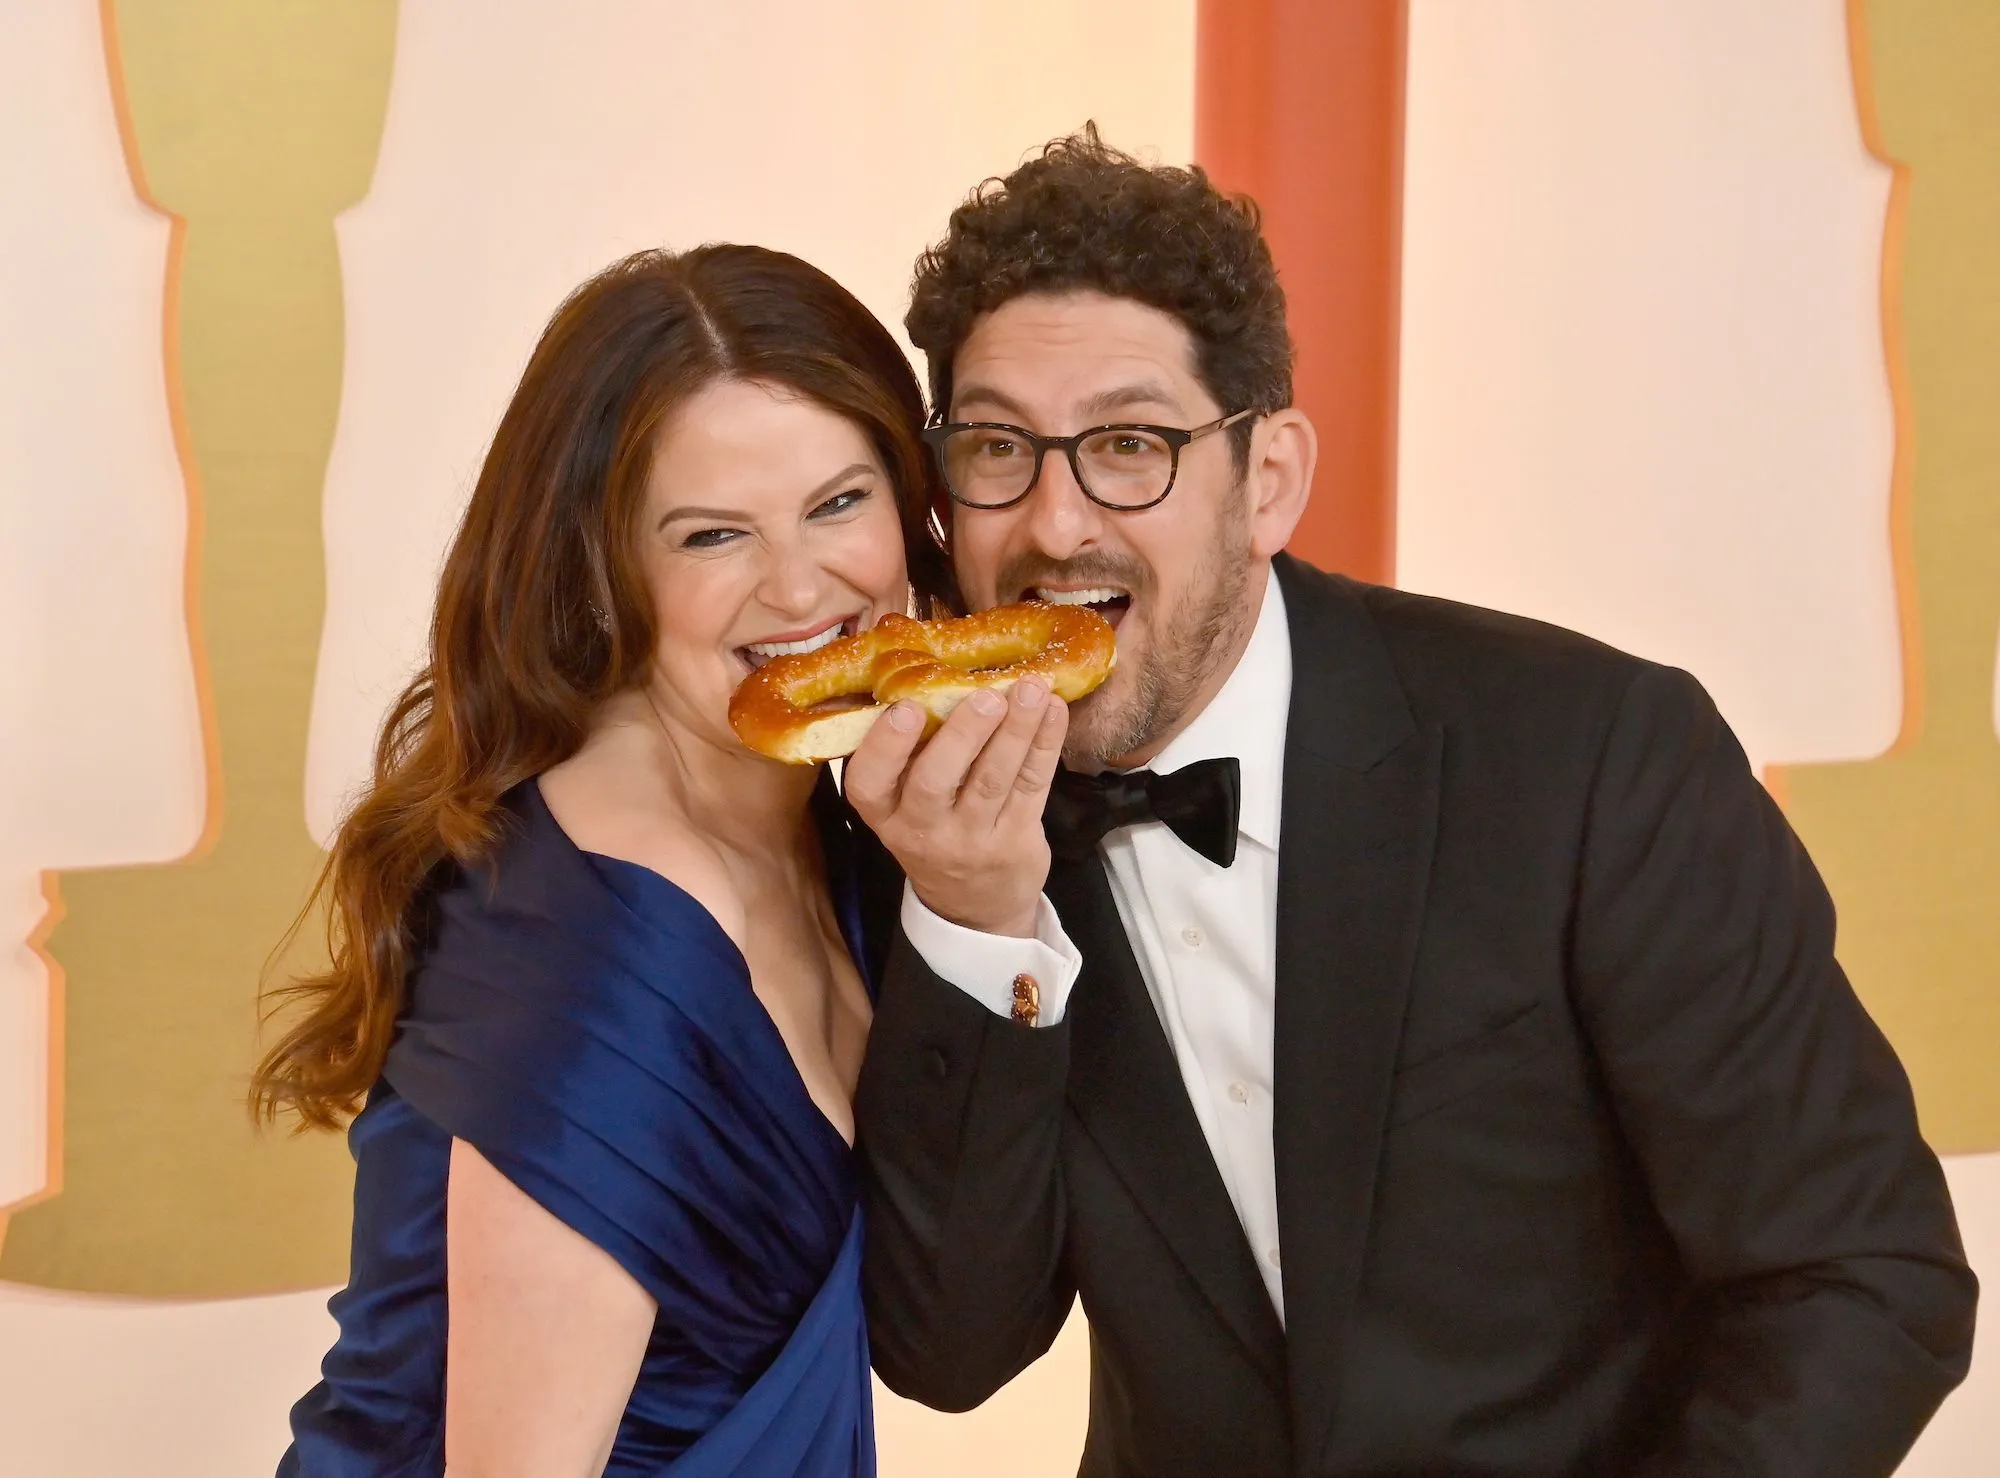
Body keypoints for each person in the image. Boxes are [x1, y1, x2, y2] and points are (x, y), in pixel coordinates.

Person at [843, 129, 1979, 1477]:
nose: (1054, 520)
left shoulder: (1591, 752)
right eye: (995, 450)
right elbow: (953, 1351)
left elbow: (1862, 1273)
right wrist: (979, 920)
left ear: (1267, 481)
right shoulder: (924, 823)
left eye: (1131, 445)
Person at [252, 244, 1050, 1476]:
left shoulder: (823, 824)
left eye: (839, 503)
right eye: (712, 534)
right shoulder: (605, 947)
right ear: (605, 563)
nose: (801, 586)